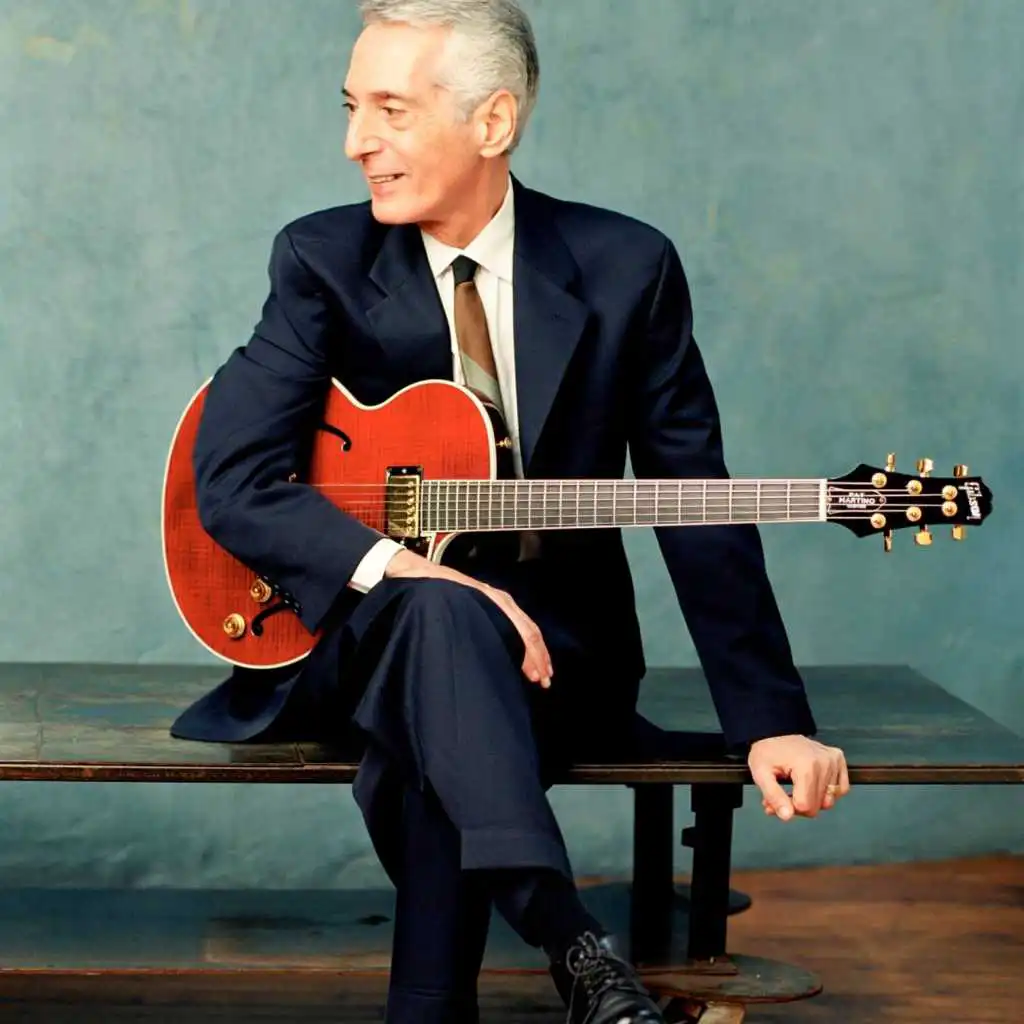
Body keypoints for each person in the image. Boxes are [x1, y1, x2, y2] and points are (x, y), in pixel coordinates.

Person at [170, 1, 851, 1021]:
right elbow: (232, 481)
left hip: (558, 657)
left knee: (433, 727)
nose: (357, 141)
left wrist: (772, 721)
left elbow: (698, 500)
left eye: (392, 110)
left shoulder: (625, 267)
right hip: (358, 645)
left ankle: (473, 995)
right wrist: (414, 570)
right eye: (353, 108)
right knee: (438, 619)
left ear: (492, 121)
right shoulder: (321, 261)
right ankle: (578, 950)